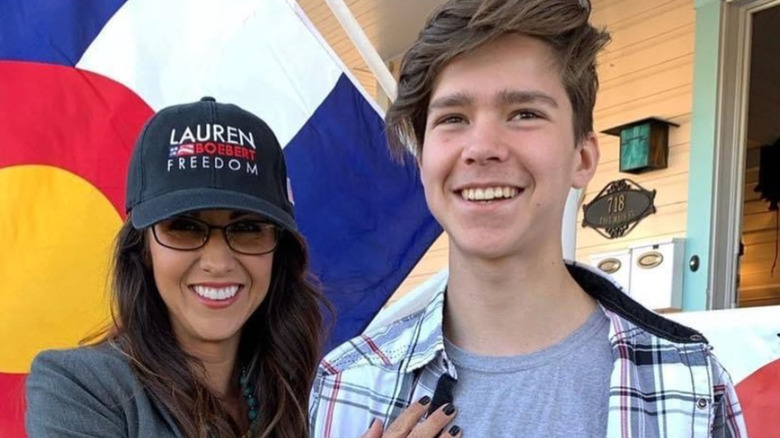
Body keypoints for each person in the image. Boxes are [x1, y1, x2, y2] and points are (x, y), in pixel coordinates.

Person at [309, 0, 747, 437]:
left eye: (524, 114)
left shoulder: (688, 385)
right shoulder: (348, 387)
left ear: (583, 156)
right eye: (453, 118)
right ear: (422, 160)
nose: (481, 147)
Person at [26, 97, 326, 438]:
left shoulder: (309, 388)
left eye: (247, 229)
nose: (217, 263)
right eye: (184, 226)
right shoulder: (81, 388)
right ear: (142, 249)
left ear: (279, 251)